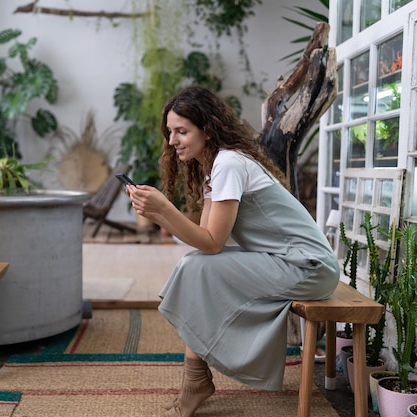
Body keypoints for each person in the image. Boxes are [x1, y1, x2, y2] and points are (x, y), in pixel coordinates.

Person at [124, 86, 339, 417]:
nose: (172, 141)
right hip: (293, 263)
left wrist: (165, 210)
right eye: (170, 132)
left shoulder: (228, 164)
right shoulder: (217, 167)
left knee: (197, 267)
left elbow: (212, 242)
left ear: (206, 130)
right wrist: (158, 213)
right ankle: (195, 377)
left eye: (181, 131)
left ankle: (196, 381)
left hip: (309, 267)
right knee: (195, 265)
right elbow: (206, 243)